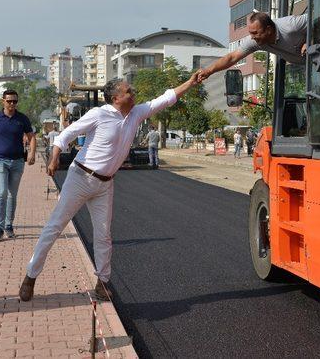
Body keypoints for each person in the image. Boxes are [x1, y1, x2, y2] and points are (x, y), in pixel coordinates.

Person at [19, 74, 200, 302]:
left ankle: (102, 283)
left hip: (105, 184)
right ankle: (30, 276)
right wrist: (55, 157)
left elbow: (165, 99)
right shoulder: (98, 114)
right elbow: (67, 134)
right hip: (80, 178)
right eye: (128, 92)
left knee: (104, 236)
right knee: (54, 227)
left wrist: (191, 82)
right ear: (115, 98)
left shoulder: (136, 114)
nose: (133, 94)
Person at [0, 90, 36, 241]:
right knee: (2, 192)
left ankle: (9, 226)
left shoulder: (22, 119)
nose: (12, 104)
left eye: (14, 101)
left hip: (17, 162)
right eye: (9, 101)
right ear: (2, 101)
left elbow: (31, 138)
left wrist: (32, 153)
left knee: (12, 195)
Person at [195, 12, 307, 82]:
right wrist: (209, 71)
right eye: (250, 33)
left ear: (268, 30)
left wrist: (309, 41)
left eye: (255, 33)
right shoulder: (255, 41)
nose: (252, 37)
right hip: (309, 67)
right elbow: (232, 57)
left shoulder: (291, 25)